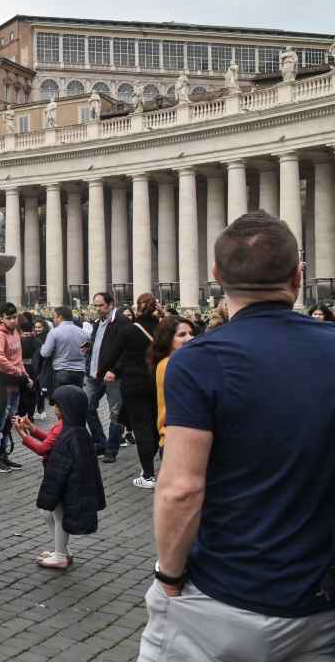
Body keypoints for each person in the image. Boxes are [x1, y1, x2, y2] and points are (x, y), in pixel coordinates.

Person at [140, 211, 335, 660]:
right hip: (319, 600)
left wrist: (169, 574)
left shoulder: (197, 362)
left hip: (221, 596)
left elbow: (181, 489)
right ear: (298, 276)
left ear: (216, 277)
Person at [29, 385, 105, 570]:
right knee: (48, 513)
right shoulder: (74, 429)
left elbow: (48, 450)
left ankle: (61, 555)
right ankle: (61, 550)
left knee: (58, 515)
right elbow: (51, 440)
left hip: (66, 483)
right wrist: (31, 430)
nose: (53, 408)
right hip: (65, 481)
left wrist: (24, 434)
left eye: (56, 405)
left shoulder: (71, 432)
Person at [113, 293, 161, 488]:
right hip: (157, 381)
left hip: (134, 383)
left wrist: (106, 371)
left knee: (141, 428)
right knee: (156, 425)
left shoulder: (128, 330)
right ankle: (149, 469)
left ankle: (148, 474)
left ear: (137, 308)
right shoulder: (162, 329)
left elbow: (115, 354)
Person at [84, 291, 129, 461]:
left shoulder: (121, 322)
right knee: (87, 407)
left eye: (101, 305)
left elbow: (126, 350)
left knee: (115, 413)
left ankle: (111, 450)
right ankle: (100, 443)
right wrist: (90, 347)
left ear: (110, 304)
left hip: (113, 376)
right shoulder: (97, 322)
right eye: (95, 306)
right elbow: (102, 344)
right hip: (94, 374)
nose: (98, 309)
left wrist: (115, 369)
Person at [0, 302, 28, 473]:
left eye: (14, 317)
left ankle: (3, 455)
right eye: (8, 318)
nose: (12, 321)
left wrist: (25, 375)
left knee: (8, 420)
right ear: (1, 318)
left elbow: (18, 357)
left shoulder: (15, 332)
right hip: (0, 382)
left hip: (14, 382)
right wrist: (17, 371)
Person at [148, 315, 195, 454]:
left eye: (191, 333)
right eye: (182, 335)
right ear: (167, 340)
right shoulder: (170, 364)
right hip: (176, 441)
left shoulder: (181, 362)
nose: (189, 338)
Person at [39, 306, 89, 396]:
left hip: (61, 370)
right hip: (79, 372)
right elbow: (87, 352)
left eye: (54, 317)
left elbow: (45, 353)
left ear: (60, 317)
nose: (53, 320)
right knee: (75, 399)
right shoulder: (83, 333)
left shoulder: (54, 332)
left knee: (60, 401)